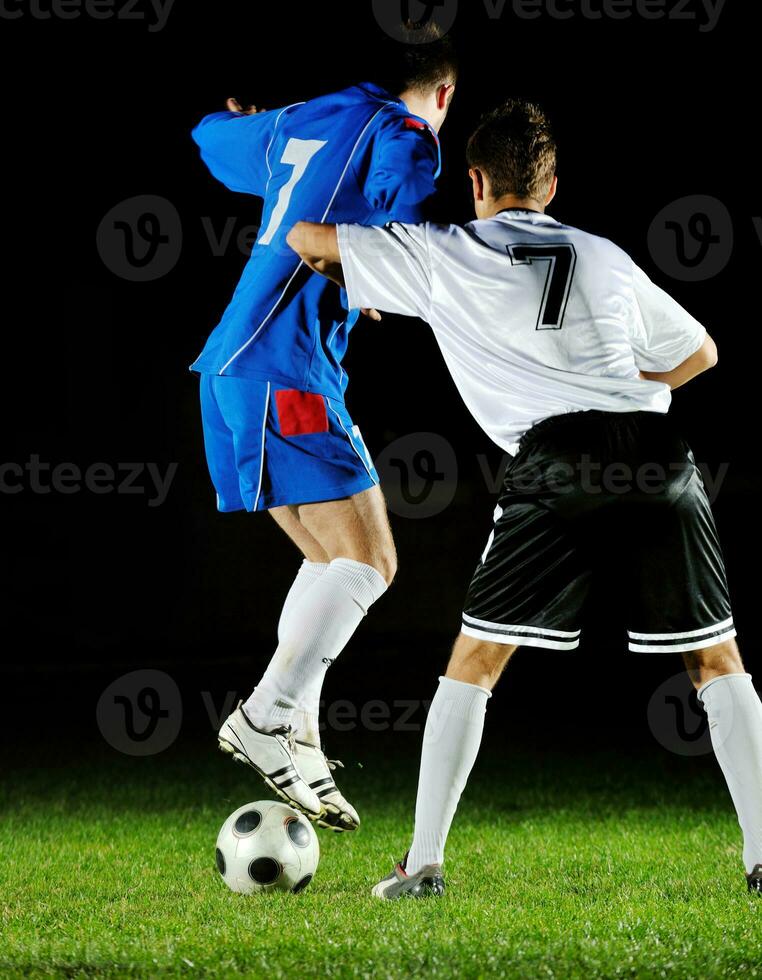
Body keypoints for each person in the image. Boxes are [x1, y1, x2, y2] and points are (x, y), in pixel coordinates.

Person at [287, 99, 762, 893]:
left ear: (475, 181)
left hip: (558, 459)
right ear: (550, 184)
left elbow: (308, 239)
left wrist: (297, 154)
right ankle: (760, 859)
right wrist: (623, 385)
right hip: (657, 454)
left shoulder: (445, 250)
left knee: (474, 663)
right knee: (717, 660)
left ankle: (425, 865)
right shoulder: (604, 254)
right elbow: (703, 352)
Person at [189, 26, 458, 831]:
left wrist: (257, 121)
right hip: (285, 365)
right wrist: (381, 264)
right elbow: (405, 216)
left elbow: (210, 137)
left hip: (229, 370)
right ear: (443, 94)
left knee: (326, 564)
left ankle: (296, 730)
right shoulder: (406, 133)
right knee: (372, 560)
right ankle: (266, 713)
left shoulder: (304, 117)